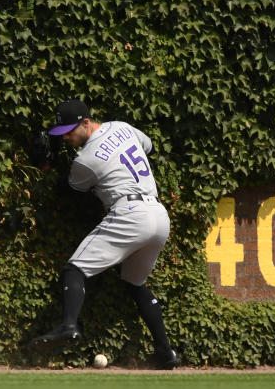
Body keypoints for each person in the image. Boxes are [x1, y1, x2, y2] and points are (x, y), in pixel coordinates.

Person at [29, 99, 179, 369]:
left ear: (86, 122)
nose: (65, 137)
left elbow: (70, 189)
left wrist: (47, 168)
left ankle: (68, 325)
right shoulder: (121, 126)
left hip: (130, 213)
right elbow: (149, 147)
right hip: (158, 215)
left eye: (69, 131)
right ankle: (165, 352)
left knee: (74, 269)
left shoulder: (85, 159)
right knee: (134, 283)